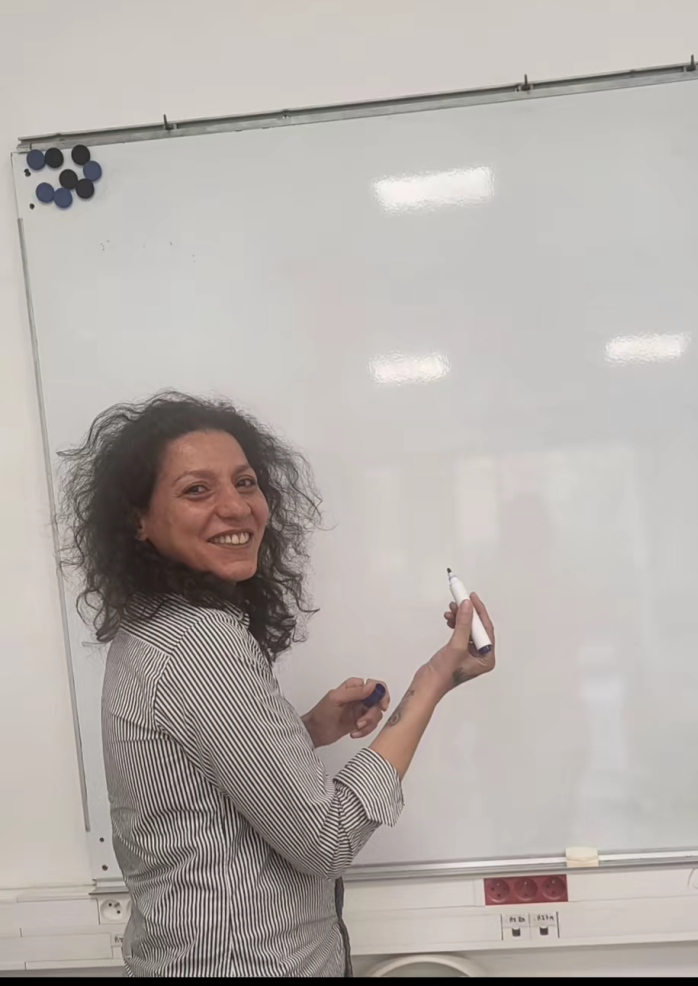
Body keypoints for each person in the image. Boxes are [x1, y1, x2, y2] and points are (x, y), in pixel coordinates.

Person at [61, 392, 495, 978]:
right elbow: (327, 839)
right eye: (196, 489)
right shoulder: (199, 645)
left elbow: (200, 784)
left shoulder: (155, 626)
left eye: (245, 482)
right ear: (138, 520)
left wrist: (306, 730)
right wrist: (433, 681)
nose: (236, 507)